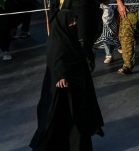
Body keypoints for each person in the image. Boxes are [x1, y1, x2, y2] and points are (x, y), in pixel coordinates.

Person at [30, 10, 104, 151]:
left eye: (75, 21)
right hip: (64, 88)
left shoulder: (71, 39)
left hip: (77, 85)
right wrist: (60, 76)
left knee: (79, 117)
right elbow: (55, 58)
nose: (74, 24)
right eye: (71, 22)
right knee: (63, 117)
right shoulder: (57, 40)